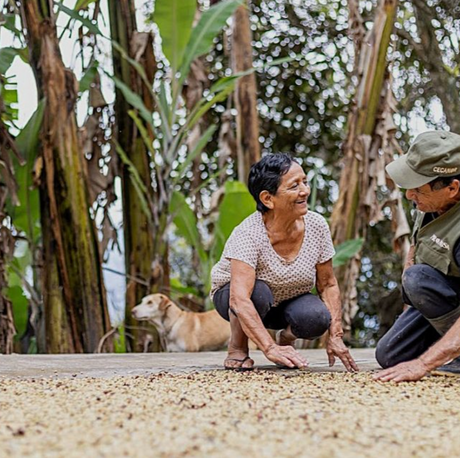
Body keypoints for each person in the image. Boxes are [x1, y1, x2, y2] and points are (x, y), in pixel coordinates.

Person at [211, 153, 358, 372]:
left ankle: (286, 340)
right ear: (268, 199)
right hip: (237, 299)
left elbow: (327, 284)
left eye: (305, 182)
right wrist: (268, 348)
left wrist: (335, 335)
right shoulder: (248, 234)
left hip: (287, 301)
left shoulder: (316, 225)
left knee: (316, 317)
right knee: (257, 293)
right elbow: (239, 300)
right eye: (294, 186)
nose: (305, 191)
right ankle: (237, 348)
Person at [374, 130, 460, 383]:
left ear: (452, 188)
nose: (410, 195)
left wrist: (423, 364)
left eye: (418, 189)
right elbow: (415, 253)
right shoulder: (429, 203)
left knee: (417, 278)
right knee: (390, 354)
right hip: (450, 296)